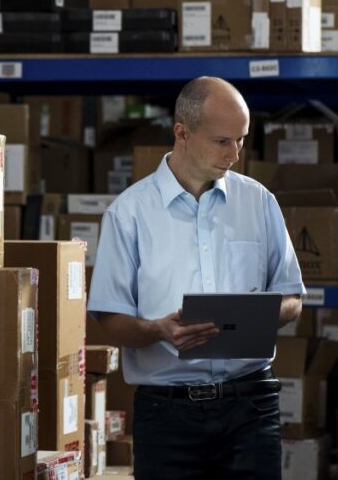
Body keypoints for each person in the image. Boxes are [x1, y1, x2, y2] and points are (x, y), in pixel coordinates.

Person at [87, 76, 305, 479]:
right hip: (167, 415)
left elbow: (293, 297)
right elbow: (110, 319)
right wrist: (158, 330)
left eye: (242, 139)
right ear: (182, 133)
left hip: (250, 405)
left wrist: (258, 316)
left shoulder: (258, 202)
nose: (235, 154)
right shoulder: (129, 214)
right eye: (223, 141)